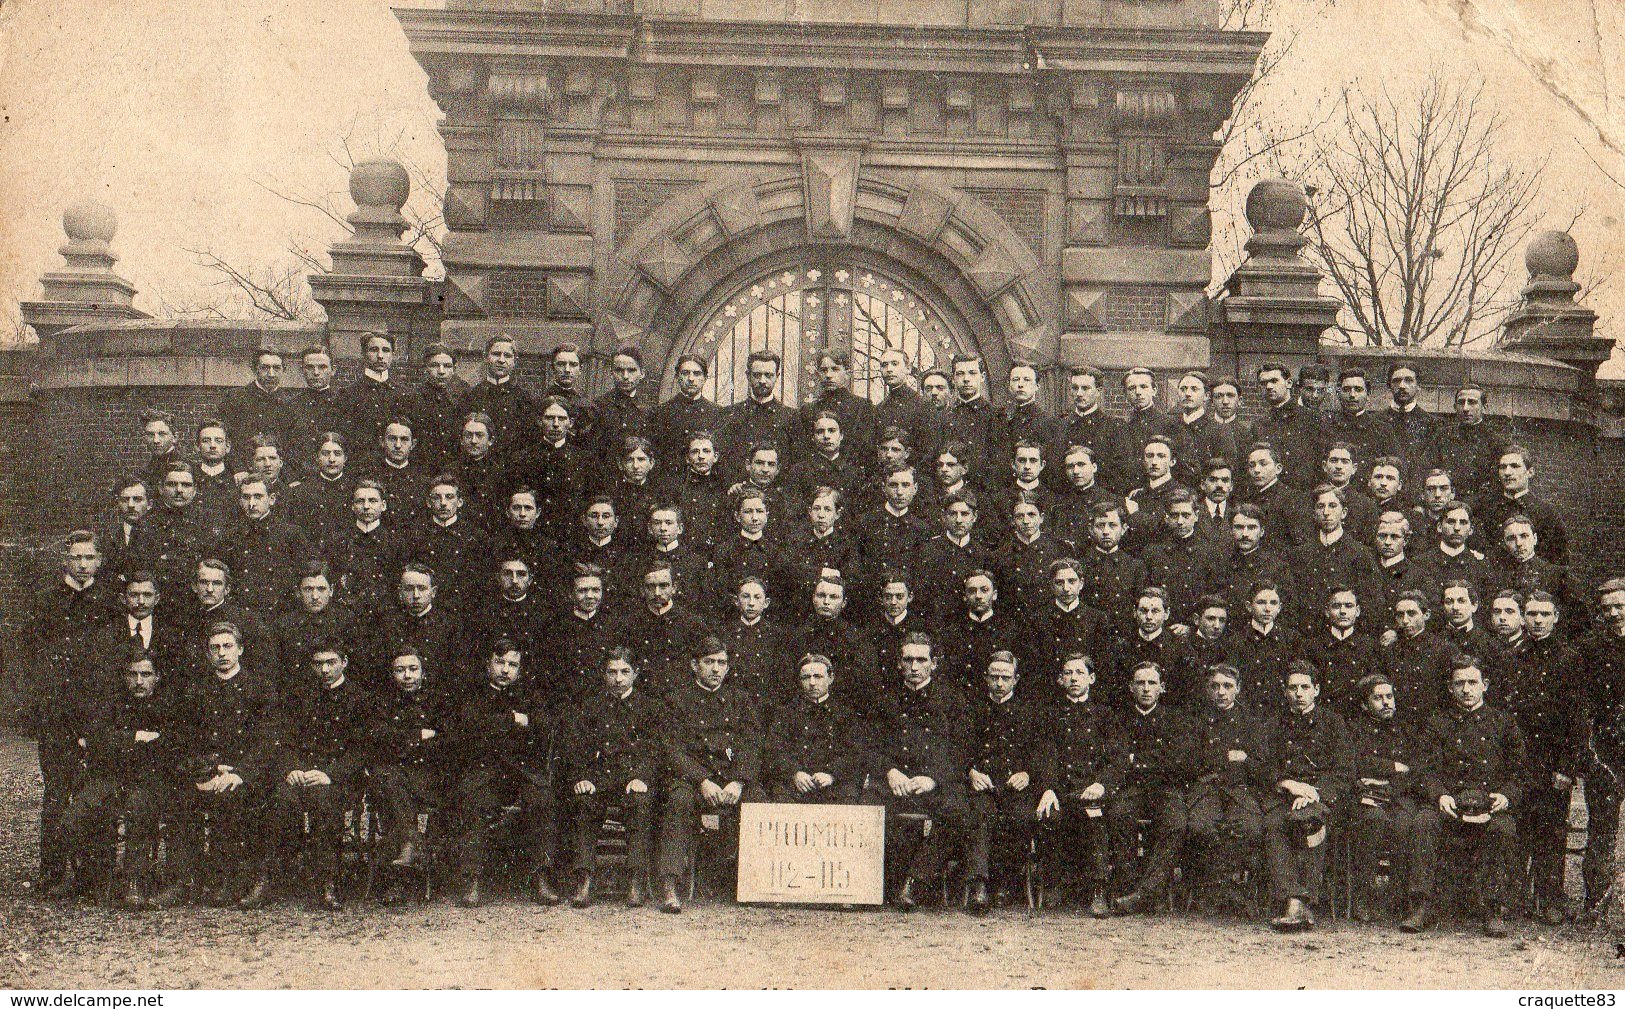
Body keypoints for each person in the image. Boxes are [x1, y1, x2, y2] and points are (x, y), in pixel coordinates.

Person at [1410, 654, 1528, 936]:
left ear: (1484, 685)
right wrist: (1439, 795)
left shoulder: (1503, 723)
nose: (1466, 689)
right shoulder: (1437, 723)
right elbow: (1423, 769)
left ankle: (1494, 909)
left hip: (1489, 804)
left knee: (1503, 829)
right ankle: (1421, 904)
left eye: (1472, 682)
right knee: (1424, 823)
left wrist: (1506, 796)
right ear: (1450, 688)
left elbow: (1520, 772)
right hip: (1450, 803)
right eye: (1459, 683)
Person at [62, 648, 190, 910]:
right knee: (74, 817)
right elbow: (95, 740)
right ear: (125, 677)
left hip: (151, 779)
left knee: (140, 806)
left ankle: (135, 880)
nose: (139, 681)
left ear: (158, 677)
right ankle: (94, 877)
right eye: (133, 674)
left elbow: (172, 745)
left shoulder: (170, 706)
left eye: (146, 674)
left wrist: (121, 742)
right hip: (110, 776)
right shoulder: (112, 704)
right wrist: (136, 737)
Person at [176, 621, 281, 908]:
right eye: (215, 648)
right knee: (177, 798)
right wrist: (209, 768)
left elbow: (268, 741)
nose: (222, 653)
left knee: (233, 798)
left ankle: (237, 878)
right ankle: (189, 879)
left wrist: (240, 773)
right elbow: (188, 738)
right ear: (208, 654)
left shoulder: (260, 688)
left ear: (240, 650)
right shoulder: (197, 691)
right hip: (210, 770)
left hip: (248, 772)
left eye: (227, 646)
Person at [656, 636, 764, 913]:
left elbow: (752, 743)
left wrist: (738, 780)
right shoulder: (676, 700)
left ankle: (758, 881)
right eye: (709, 662)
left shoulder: (740, 700)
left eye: (722, 663)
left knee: (759, 800)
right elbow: (672, 748)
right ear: (694, 665)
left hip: (731, 779)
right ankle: (670, 884)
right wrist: (702, 780)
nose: (716, 669)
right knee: (679, 802)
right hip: (693, 779)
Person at [452, 637, 560, 908]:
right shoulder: (472, 694)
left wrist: (499, 725)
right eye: (499, 662)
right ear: (488, 663)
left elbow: (544, 727)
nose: (505, 670)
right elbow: (469, 728)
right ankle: (472, 879)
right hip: (485, 770)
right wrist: (513, 720)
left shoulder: (530, 696)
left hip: (523, 772)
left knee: (541, 800)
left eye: (512, 664)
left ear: (520, 669)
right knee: (474, 801)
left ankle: (541, 876)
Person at [867, 632, 971, 911]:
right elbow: (868, 745)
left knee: (957, 811)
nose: (914, 666)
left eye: (921, 660)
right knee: (865, 807)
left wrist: (933, 779)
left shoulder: (952, 700)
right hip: (894, 782)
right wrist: (890, 772)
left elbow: (961, 750)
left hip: (934, 783)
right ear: (899, 663)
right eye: (908, 659)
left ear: (934, 664)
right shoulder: (884, 700)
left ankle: (915, 880)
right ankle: (876, 884)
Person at [261, 642, 367, 910]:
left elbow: (362, 749)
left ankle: (327, 882)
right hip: (300, 774)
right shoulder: (299, 697)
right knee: (280, 800)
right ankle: (271, 878)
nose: (324, 669)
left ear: (344, 662)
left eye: (331, 662)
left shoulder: (359, 698)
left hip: (337, 779)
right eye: (319, 664)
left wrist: (330, 774)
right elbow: (284, 741)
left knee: (325, 802)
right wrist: (292, 768)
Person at [561, 647, 664, 909]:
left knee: (641, 805)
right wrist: (583, 777)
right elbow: (575, 748)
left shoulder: (650, 708)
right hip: (599, 779)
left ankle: (635, 879)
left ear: (636, 674)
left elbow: (655, 750)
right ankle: (584, 878)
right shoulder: (589, 707)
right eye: (612, 672)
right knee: (583, 803)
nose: (618, 678)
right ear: (603, 674)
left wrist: (642, 776)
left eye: (625, 672)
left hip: (632, 781)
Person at [1504, 589, 1583, 922]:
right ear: (1523, 617)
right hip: (1522, 760)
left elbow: (1577, 717)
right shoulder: (1514, 657)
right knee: (1519, 829)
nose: (1537, 621)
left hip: (1553, 761)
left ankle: (1550, 898)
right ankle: (1517, 898)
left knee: (1551, 831)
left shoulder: (1569, 658)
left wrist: (1567, 767)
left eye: (1543, 615)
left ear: (1555, 617)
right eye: (1531, 614)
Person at [1262, 660, 1352, 932]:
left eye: (1304, 687)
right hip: (1283, 796)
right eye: (1293, 688)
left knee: (1311, 823)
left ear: (1316, 690)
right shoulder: (1274, 723)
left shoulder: (1334, 723)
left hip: (1322, 798)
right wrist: (1288, 783)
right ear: (1285, 692)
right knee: (1275, 824)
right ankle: (1294, 900)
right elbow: (1261, 765)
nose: (1299, 693)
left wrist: (1314, 793)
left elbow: (1345, 770)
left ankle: (1302, 903)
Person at [1034, 652, 1120, 916]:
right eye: (1068, 673)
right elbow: (1044, 754)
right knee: (1050, 815)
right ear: (1060, 680)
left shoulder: (1106, 715)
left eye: (1080, 673)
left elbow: (1117, 758)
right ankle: (1053, 885)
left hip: (1094, 790)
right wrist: (1047, 787)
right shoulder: (1050, 715)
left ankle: (1098, 890)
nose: (1074, 678)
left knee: (1095, 819)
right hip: (1062, 790)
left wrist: (1102, 784)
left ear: (1091, 678)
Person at [1108, 661, 1194, 914]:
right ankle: (1130, 885)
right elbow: (1118, 759)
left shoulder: (1175, 720)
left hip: (1166, 789)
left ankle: (1144, 893)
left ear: (1162, 688)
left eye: (1152, 683)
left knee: (1177, 823)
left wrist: (1138, 761)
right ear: (1131, 688)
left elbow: (1179, 763)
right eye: (1140, 683)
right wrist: (1154, 761)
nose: (1146, 688)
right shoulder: (1120, 720)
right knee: (1118, 815)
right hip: (1130, 788)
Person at [1185, 664, 1270, 915]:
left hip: (1240, 790)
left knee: (1250, 828)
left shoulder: (1252, 724)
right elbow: (1189, 762)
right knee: (1201, 827)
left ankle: (1231, 887)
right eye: (1215, 686)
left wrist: (1244, 760)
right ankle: (1214, 889)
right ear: (1207, 690)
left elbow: (1262, 766)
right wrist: (1230, 757)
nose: (1221, 692)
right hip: (1206, 788)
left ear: (1238, 689)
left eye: (1227, 686)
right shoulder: (1196, 721)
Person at [367, 647, 450, 895]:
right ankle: (412, 845)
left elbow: (447, 740)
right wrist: (419, 736)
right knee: (387, 778)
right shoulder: (381, 703)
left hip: (428, 778)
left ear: (423, 673)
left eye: (413, 669)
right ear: (392, 674)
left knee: (391, 780)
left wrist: (401, 742)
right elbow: (377, 737)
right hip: (392, 778)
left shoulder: (438, 701)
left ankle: (405, 856)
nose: (407, 676)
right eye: (400, 670)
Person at [965, 650, 1043, 914]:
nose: (999, 683)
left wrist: (1028, 774)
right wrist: (971, 772)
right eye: (994, 677)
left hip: (1014, 785)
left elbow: (1041, 751)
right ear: (986, 678)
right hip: (983, 783)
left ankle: (1006, 883)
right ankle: (980, 886)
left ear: (1016, 679)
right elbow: (958, 749)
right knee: (980, 815)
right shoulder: (972, 710)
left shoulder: (1030, 713)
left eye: (1005, 677)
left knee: (1020, 817)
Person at [1345, 674, 1422, 924]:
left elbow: (1417, 769)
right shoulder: (1354, 730)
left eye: (1389, 696)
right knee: (1373, 820)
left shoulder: (1408, 729)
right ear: (1365, 704)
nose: (1386, 702)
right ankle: (1363, 895)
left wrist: (1387, 780)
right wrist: (1393, 766)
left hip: (1400, 795)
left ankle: (1399, 896)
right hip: (1366, 798)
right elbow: (1354, 765)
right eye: (1378, 698)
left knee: (1405, 825)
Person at [763, 653, 866, 805]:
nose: (812, 682)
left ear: (830, 679)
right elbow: (774, 749)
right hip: (796, 785)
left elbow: (855, 753)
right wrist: (794, 773)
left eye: (818, 676)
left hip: (834, 785)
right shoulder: (786, 713)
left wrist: (832, 774)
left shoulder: (846, 715)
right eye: (806, 677)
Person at [1581, 577, 1625, 918]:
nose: (1613, 613)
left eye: (1619, 606)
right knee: (1602, 827)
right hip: (1605, 751)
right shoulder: (1590, 648)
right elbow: (1582, 704)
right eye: (1607, 608)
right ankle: (1595, 902)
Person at [218, 349, 300, 474]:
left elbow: (295, 445)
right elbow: (224, 438)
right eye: (265, 368)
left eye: (276, 368)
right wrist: (238, 469)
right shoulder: (235, 398)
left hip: (280, 476)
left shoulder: (292, 402)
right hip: (241, 473)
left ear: (284, 370)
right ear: (254, 369)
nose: (271, 374)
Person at [718, 350, 796, 479]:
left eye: (768, 375)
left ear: (777, 376)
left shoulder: (791, 416)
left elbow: (795, 463)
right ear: (748, 376)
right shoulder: (729, 414)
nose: (762, 380)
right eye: (757, 375)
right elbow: (720, 458)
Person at [458, 334, 535, 457]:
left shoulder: (523, 398)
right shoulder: (470, 396)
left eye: (507, 356)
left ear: (514, 362)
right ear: (485, 357)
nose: (501, 360)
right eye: (496, 354)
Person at [335, 333, 404, 462]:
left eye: (386, 350)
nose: (380, 356)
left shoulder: (404, 394)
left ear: (393, 355)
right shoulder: (348, 394)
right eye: (374, 350)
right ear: (363, 354)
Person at [1058, 367, 1128, 492]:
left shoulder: (1113, 427)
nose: (1079, 393)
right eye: (1075, 388)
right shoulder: (1060, 425)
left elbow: (1120, 471)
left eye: (1085, 388)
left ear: (1098, 391)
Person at [403, 342, 466, 472]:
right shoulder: (413, 398)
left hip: (456, 468)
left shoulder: (464, 396)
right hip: (422, 468)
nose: (441, 371)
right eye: (435, 365)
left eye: (447, 366)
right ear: (425, 368)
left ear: (454, 369)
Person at [650, 354, 722, 467]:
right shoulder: (661, 412)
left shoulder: (717, 413)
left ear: (705, 378)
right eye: (685, 373)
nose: (691, 379)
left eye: (697, 374)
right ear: (677, 377)